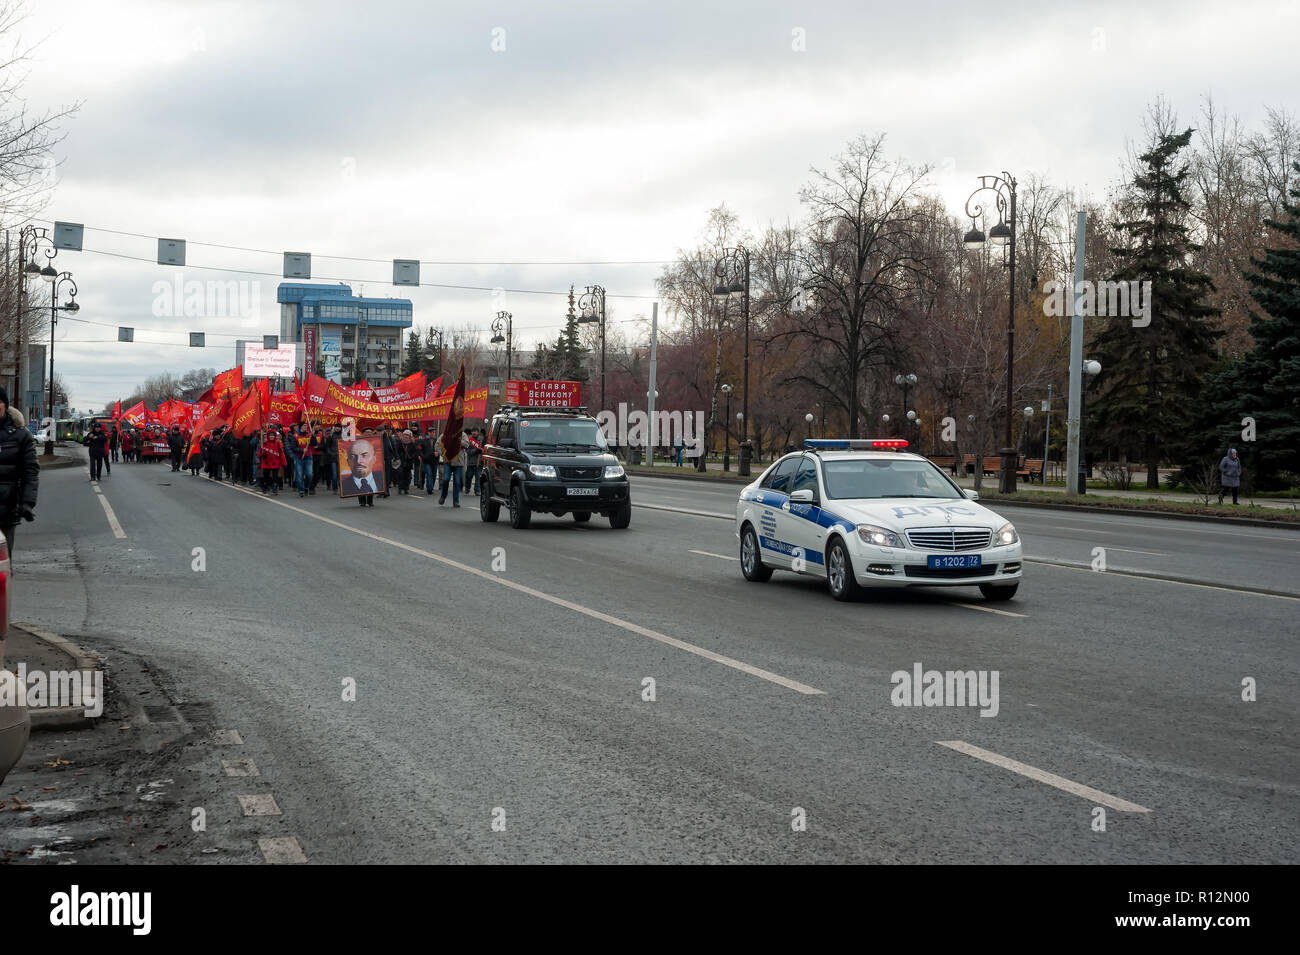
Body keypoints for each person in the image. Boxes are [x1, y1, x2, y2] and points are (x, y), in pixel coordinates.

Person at [0, 388, 38, 558]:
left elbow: (30, 472)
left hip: (6, 512)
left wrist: (27, 503)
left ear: (4, 406)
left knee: (3, 566)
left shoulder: (21, 436)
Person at [343, 437, 381, 505]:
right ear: (348, 461)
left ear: (374, 459)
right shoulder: (344, 485)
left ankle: (370, 501)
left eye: (364, 455)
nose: (358, 461)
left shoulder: (381, 478)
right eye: (353, 457)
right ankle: (362, 501)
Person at [439, 435, 465, 507]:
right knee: (445, 479)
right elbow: (438, 444)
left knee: (457, 482)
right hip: (448, 462)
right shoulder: (447, 433)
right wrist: (442, 454)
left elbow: (467, 444)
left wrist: (457, 440)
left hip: (458, 462)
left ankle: (456, 501)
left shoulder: (462, 434)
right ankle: (443, 496)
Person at [258, 428, 285, 495]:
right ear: (268, 436)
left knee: (275, 477)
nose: (271, 437)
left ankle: (275, 489)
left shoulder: (278, 444)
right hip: (267, 463)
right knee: (266, 476)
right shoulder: (264, 444)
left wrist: (283, 462)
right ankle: (266, 486)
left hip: (276, 462)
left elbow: (281, 453)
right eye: (270, 435)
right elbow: (260, 454)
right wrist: (262, 451)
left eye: (272, 435)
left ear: (275, 436)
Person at [288, 422, 313, 497]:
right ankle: (301, 490)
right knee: (299, 475)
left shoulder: (309, 434)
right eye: (304, 426)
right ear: (301, 427)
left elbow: (314, 444)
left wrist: (313, 436)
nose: (306, 427)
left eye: (306, 426)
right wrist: (302, 450)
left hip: (308, 457)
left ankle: (306, 487)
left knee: (309, 474)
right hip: (299, 458)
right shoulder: (295, 436)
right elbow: (293, 448)